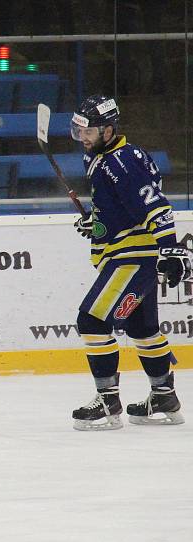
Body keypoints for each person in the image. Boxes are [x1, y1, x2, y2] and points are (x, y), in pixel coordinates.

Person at [69, 95, 192, 431]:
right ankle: (163, 396)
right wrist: (96, 221)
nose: (83, 136)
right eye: (79, 129)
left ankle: (108, 400)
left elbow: (155, 204)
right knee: (142, 329)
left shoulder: (118, 160)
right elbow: (122, 205)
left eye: (89, 130)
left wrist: (169, 247)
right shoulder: (107, 157)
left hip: (131, 258)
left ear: (108, 129)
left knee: (92, 321)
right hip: (134, 255)